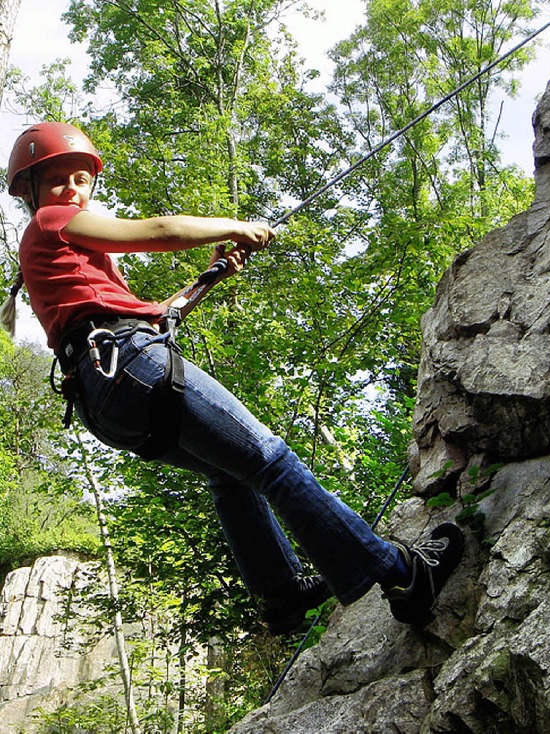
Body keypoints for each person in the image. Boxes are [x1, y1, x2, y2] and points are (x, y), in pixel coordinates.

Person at [5, 121, 465, 634]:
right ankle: (400, 573)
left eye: (80, 180)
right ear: (32, 191)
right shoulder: (52, 221)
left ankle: (282, 593)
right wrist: (234, 226)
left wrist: (214, 273)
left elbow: (153, 316)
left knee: (228, 472)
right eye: (57, 181)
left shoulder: (73, 265)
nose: (71, 190)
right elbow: (159, 232)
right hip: (127, 364)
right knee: (272, 461)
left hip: (105, 395)